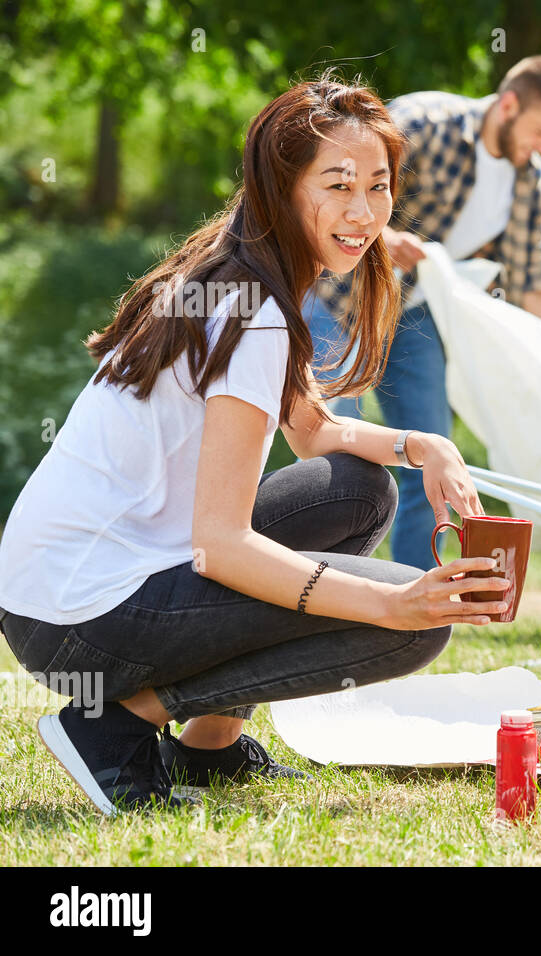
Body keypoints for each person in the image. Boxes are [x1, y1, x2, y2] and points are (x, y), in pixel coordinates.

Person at [0, 76, 511, 815]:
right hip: (82, 619)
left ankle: (208, 749)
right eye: (337, 185)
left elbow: (317, 434)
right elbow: (222, 546)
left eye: (378, 185)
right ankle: (114, 725)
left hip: (52, 592)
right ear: (281, 185)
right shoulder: (254, 313)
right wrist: (387, 605)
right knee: (410, 629)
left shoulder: (238, 274)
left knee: (359, 488)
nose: (363, 213)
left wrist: (425, 444)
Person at [307, 55, 541, 569]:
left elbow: (536, 282)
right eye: (540, 131)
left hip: (414, 313)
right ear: (509, 104)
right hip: (338, 297)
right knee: (330, 450)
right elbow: (331, 187)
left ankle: (417, 602)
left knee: (431, 454)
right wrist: (384, 238)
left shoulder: (529, 178)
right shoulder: (424, 122)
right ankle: (315, 587)